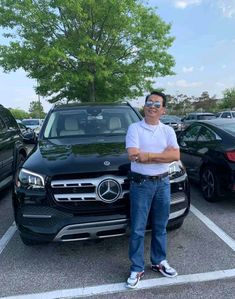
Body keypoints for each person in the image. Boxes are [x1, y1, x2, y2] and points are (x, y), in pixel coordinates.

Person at [125, 91, 180, 289]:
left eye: (157, 104)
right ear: (144, 106)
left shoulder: (168, 131)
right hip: (141, 184)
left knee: (160, 226)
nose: (152, 106)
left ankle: (159, 261)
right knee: (138, 228)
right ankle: (137, 267)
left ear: (163, 110)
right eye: (149, 103)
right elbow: (133, 155)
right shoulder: (134, 128)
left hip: (163, 183)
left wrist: (146, 155)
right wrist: (161, 155)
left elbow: (175, 155)